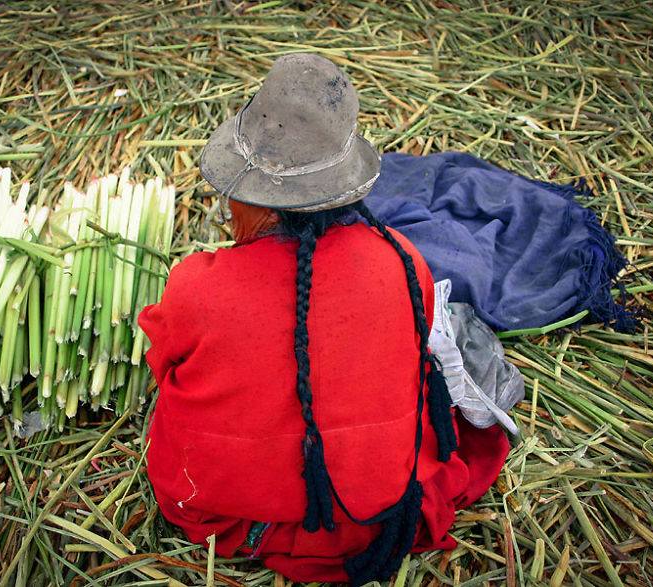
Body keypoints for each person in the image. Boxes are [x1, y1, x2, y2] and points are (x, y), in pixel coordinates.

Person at [138, 53, 509, 586]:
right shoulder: (403, 262)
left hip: (238, 521)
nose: (225, 210)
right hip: (373, 521)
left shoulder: (198, 285)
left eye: (231, 198)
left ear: (263, 205)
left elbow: (163, 365)